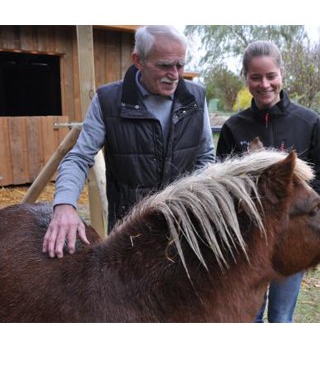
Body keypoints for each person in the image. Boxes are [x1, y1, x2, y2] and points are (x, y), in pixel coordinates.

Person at [43, 25, 215, 258]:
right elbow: (79, 157)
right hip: (130, 234)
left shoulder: (195, 98)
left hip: (184, 229)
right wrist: (64, 204)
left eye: (180, 65)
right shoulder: (109, 101)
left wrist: (196, 207)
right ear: (138, 60)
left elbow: (205, 157)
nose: (175, 74)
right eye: (164, 65)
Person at [216, 40, 320, 323]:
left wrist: (300, 221)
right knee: (249, 315)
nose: (264, 84)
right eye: (256, 77)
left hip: (291, 241)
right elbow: (221, 185)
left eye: (271, 76)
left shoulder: (308, 122)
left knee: (281, 317)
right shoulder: (234, 127)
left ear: (281, 74)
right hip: (249, 245)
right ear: (246, 78)